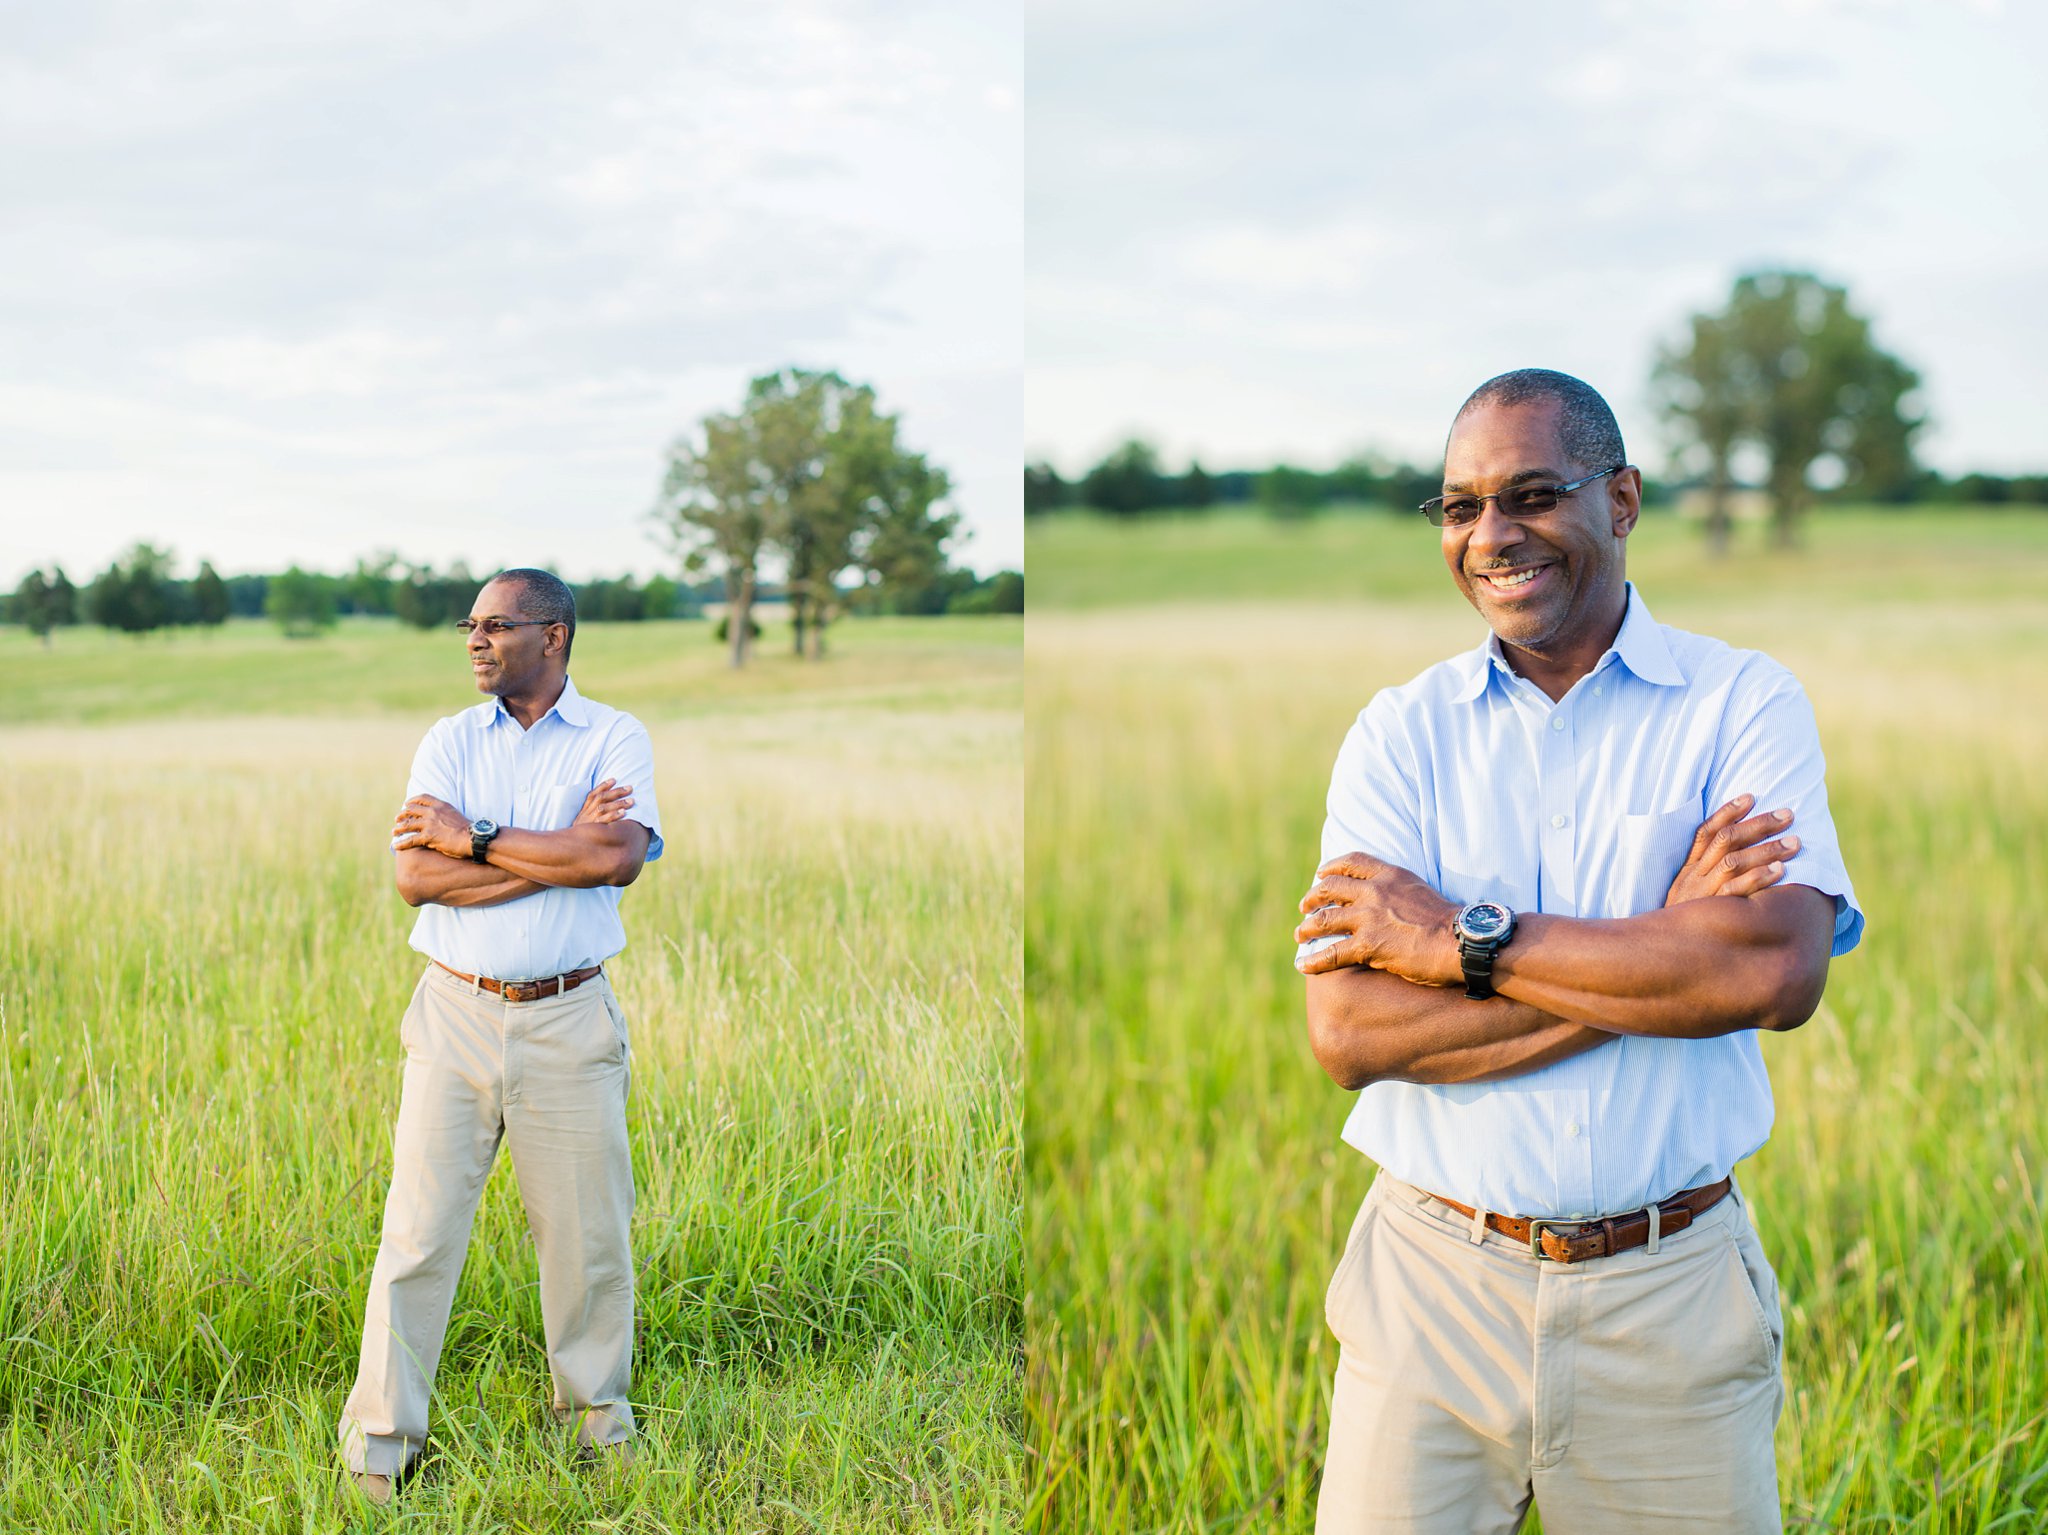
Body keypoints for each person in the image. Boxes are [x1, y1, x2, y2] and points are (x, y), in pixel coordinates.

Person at [1293, 369, 1863, 1534]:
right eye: (1457, 507)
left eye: (1531, 494)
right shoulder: (1398, 733)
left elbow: (1771, 973)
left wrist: (1451, 938)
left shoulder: (1740, 701)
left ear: (1622, 500)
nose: (1491, 537)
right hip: (1428, 1287)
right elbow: (1349, 1032)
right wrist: (1664, 947)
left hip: (1667, 1293)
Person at [338, 567, 663, 1504]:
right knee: (416, 1237)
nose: (474, 640)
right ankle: (381, 1450)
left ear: (553, 635)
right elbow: (413, 877)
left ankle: (598, 1434)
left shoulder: (614, 735)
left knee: (588, 1242)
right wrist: (549, 848)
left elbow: (615, 856)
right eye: (468, 625)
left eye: (495, 625)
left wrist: (473, 836)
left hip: (570, 1017)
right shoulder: (446, 740)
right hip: (454, 1014)